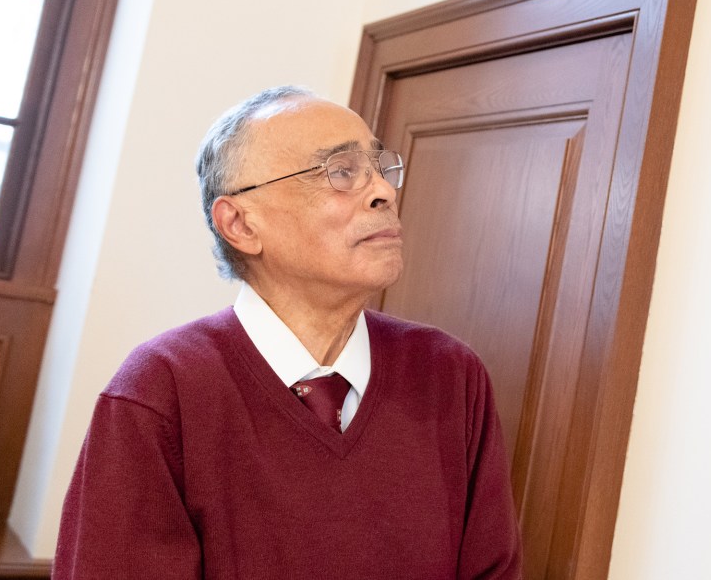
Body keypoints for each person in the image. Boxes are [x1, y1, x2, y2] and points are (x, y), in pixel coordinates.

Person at [52, 86, 522, 579]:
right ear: (240, 224)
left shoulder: (449, 371)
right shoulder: (160, 389)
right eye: (340, 171)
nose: (384, 191)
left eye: (380, 166)